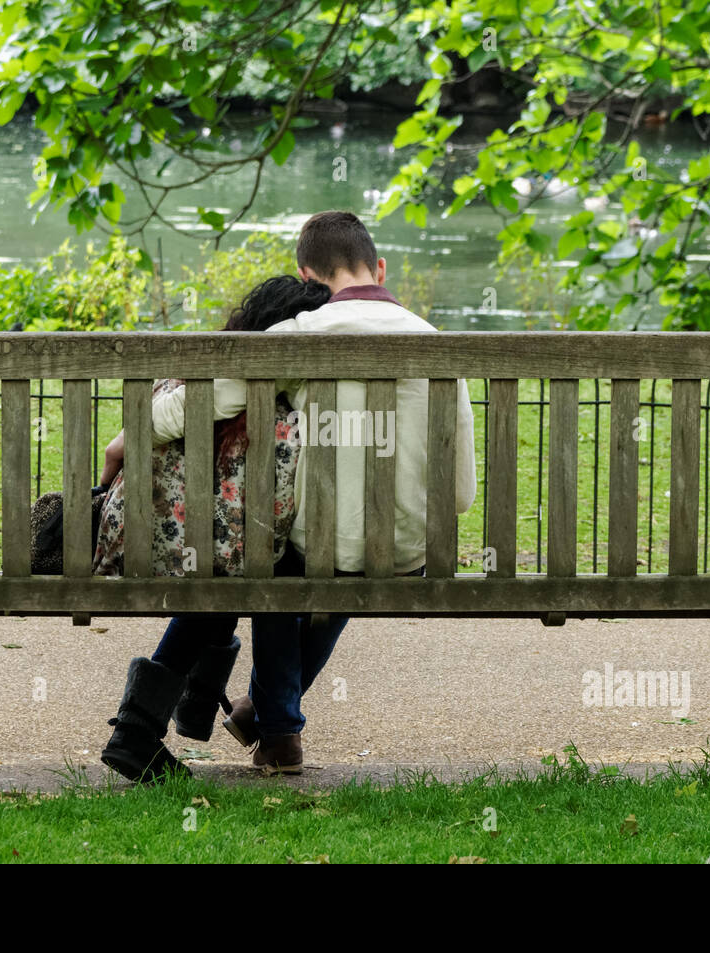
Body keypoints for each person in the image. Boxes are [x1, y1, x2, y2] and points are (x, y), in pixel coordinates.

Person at [136, 210, 477, 774]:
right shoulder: (435, 343)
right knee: (336, 557)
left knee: (281, 555)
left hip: (320, 548)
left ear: (308, 278)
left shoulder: (297, 335)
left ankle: (279, 733)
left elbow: (208, 404)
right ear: (380, 267)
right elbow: (460, 493)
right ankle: (264, 716)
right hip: (410, 549)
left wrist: (137, 429)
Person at [95, 276, 331, 783]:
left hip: (142, 547)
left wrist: (122, 442)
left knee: (224, 571)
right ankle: (148, 725)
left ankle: (179, 711)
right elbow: (278, 525)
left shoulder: (186, 385)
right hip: (217, 559)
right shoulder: (283, 422)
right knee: (252, 571)